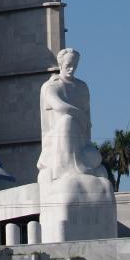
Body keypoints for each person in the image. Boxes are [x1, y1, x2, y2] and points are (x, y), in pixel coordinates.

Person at [38, 48, 103, 181]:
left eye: (75, 66)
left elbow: (88, 120)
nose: (71, 69)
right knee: (67, 120)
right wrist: (81, 116)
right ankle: (68, 168)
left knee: (97, 161)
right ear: (60, 65)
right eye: (68, 65)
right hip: (58, 140)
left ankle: (82, 164)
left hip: (81, 141)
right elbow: (59, 106)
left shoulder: (82, 87)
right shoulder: (51, 86)